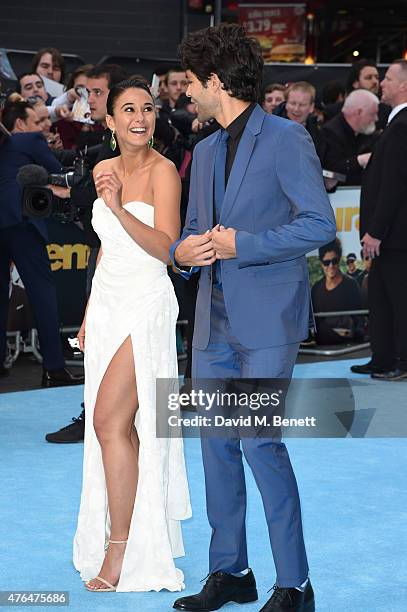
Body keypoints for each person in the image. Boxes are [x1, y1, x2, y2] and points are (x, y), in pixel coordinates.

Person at [170, 23, 336, 612]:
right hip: (211, 325)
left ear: (215, 81)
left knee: (260, 444)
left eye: (192, 81)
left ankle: (295, 584)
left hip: (268, 320)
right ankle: (231, 571)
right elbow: (192, 233)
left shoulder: (288, 139)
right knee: (215, 444)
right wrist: (182, 254)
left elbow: (319, 224)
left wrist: (247, 244)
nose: (187, 92)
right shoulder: (205, 148)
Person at [72, 78, 191, 592]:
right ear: (110, 120)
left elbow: (166, 248)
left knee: (107, 423)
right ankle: (136, 537)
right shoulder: (101, 168)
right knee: (122, 429)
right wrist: (89, 309)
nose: (139, 117)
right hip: (107, 305)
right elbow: (105, 248)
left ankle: (120, 548)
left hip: (146, 304)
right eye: (127, 109)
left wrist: (119, 207)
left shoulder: (165, 173)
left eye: (147, 108)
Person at [0, 100, 84, 386]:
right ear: (21, 124)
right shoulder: (28, 140)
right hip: (21, 223)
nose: (42, 127)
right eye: (37, 122)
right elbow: (55, 170)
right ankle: (54, 368)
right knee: (42, 295)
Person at [358, 59, 407, 380]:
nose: (382, 83)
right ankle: (383, 357)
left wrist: (375, 231)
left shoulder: (402, 126)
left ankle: (400, 362)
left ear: (403, 85)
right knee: (380, 297)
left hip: (395, 237)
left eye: (388, 78)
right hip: (391, 236)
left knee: (398, 301)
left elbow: (394, 184)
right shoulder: (396, 124)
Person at [320, 89, 379, 185]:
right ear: (359, 113)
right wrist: (359, 161)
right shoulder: (330, 134)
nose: (376, 118)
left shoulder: (367, 132)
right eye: (372, 114)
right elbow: (330, 171)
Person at [311, 239, 362, 345]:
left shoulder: (351, 285)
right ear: (321, 264)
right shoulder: (316, 288)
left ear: (339, 260)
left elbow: (359, 319)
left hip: (347, 346)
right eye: (326, 262)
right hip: (321, 346)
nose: (331, 266)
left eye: (334, 261)